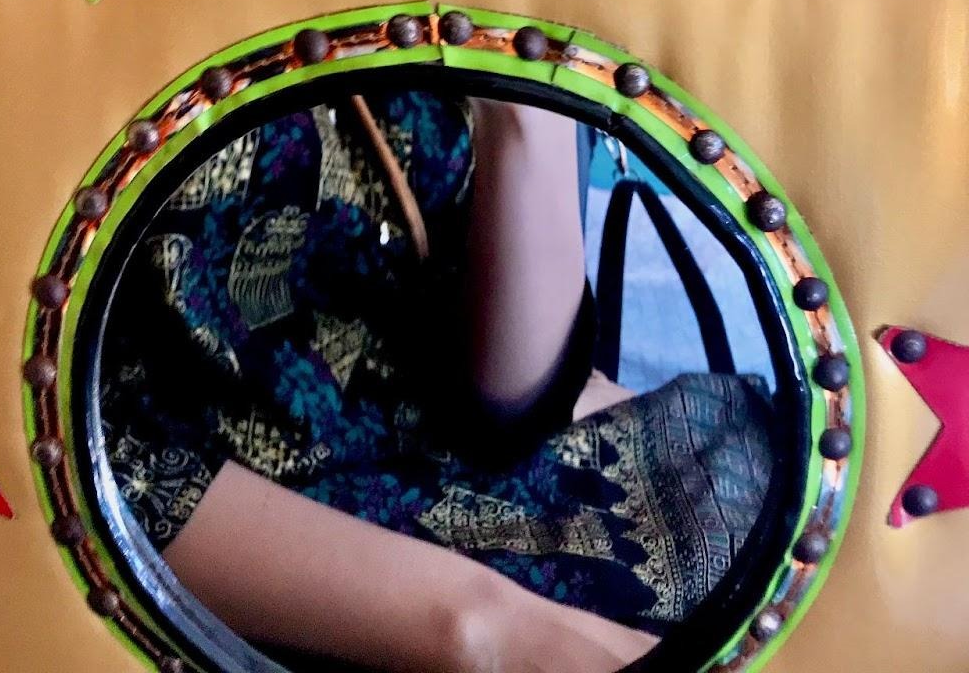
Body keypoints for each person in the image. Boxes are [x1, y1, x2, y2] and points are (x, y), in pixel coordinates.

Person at [101, 91, 774, 673]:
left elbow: (511, 409)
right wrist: (481, 630)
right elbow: (74, 448)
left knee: (772, 553)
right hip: (211, 522)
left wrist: (522, 111)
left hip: (436, 449)